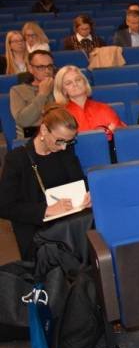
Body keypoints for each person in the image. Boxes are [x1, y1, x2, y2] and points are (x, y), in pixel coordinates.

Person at [0, 104, 92, 261]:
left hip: (71, 222)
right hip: (40, 232)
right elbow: (5, 206)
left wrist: (88, 195)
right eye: (60, 141)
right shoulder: (17, 159)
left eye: (69, 142)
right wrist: (46, 210)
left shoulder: (65, 151)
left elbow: (79, 181)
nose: (63, 147)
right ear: (43, 130)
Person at [53, 65, 125, 139]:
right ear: (63, 90)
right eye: (68, 83)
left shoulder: (105, 109)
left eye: (78, 80)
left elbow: (122, 137)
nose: (75, 84)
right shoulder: (61, 116)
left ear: (84, 82)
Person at [10, 50, 55, 138]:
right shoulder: (17, 90)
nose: (47, 71)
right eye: (41, 67)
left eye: (50, 66)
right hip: (31, 138)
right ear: (30, 69)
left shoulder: (59, 86)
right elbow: (24, 121)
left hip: (57, 134)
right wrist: (42, 94)